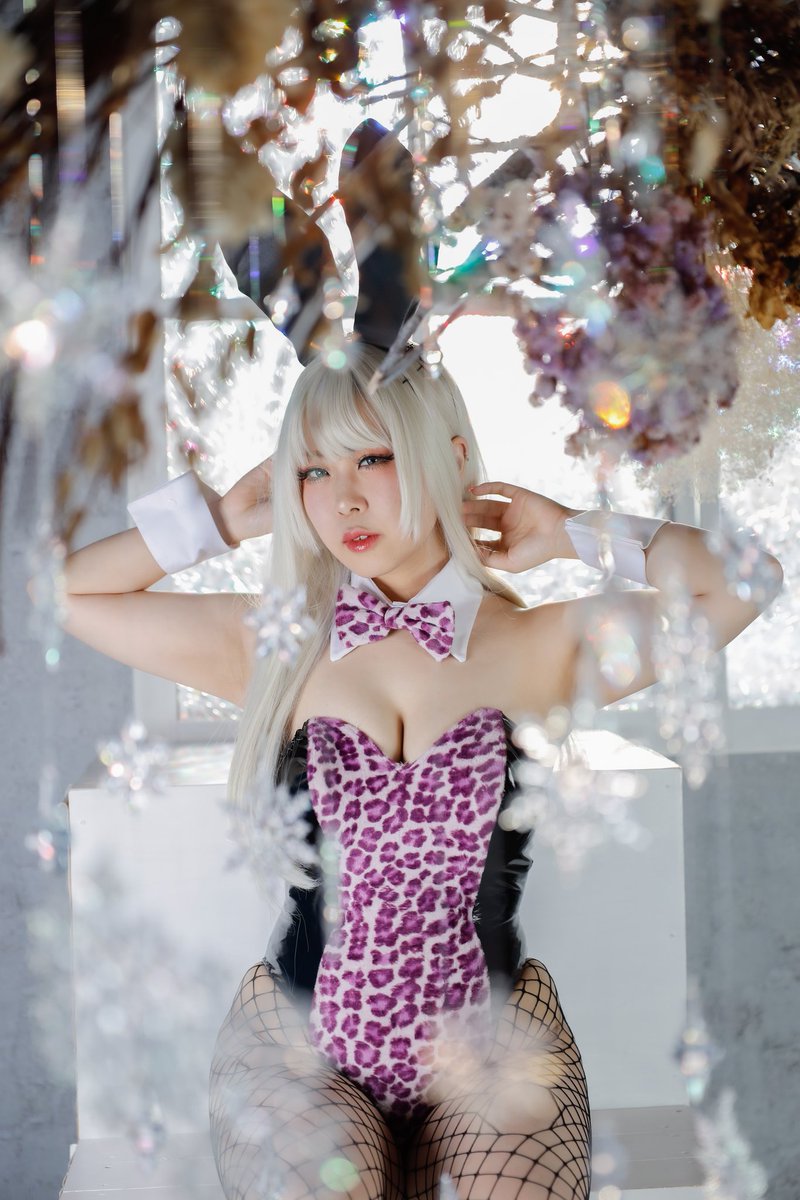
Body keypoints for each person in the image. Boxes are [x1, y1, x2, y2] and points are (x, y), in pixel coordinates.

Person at [53, 335, 784, 1200]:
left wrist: (573, 533)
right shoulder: (275, 640)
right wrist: (216, 520)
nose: (343, 498)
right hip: (301, 1046)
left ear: (453, 457)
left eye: (374, 457)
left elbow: (745, 581)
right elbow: (67, 593)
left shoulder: (536, 644)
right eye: (313, 471)